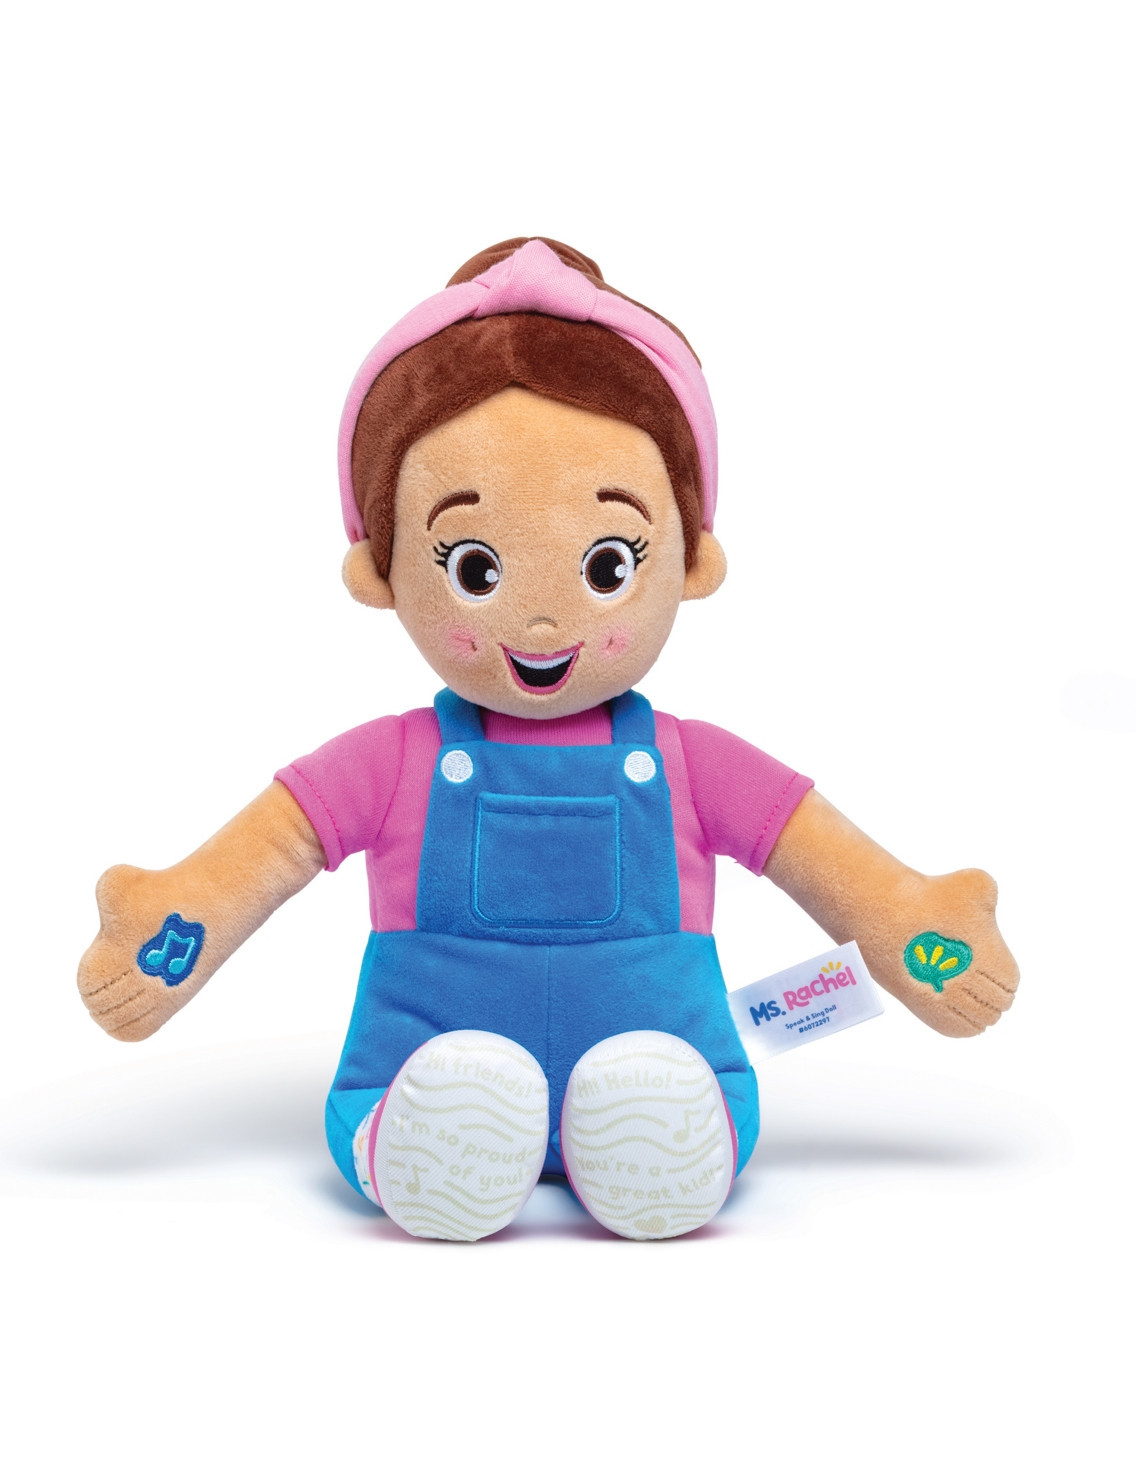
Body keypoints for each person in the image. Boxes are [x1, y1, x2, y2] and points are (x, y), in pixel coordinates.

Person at [78, 238, 1019, 1243]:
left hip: (662, 1052)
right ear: (383, 572)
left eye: (609, 564)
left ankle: (661, 1129)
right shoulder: (391, 761)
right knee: (401, 1097)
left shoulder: (693, 762)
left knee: (683, 1088)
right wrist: (173, 922)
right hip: (426, 1055)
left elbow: (823, 858)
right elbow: (269, 848)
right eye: (474, 570)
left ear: (690, 560)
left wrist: (917, 927)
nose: (537, 620)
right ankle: (420, 1135)